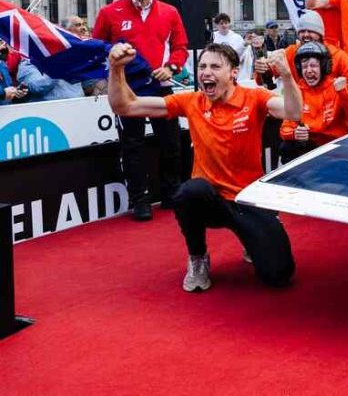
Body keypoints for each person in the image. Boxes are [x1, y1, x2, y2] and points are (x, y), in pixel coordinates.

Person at [106, 42, 301, 292]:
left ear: (233, 72)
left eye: (215, 66)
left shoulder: (255, 98)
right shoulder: (191, 101)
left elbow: (294, 112)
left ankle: (251, 239)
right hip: (210, 201)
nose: (206, 72)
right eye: (202, 66)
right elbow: (125, 106)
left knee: (279, 276)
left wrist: (286, 73)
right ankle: (198, 258)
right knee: (189, 192)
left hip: (247, 199)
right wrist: (116, 68)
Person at [93, 0, 188, 221]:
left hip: (161, 87)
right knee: (132, 146)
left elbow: (181, 47)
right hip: (127, 91)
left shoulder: (170, 12)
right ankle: (140, 200)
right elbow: (97, 50)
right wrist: (110, 73)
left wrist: (171, 67)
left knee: (171, 144)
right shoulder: (109, 13)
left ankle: (172, 195)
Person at [279, 41, 348, 162]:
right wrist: (295, 133)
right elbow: (284, 128)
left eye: (313, 66)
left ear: (324, 67)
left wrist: (343, 93)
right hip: (310, 147)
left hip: (335, 146)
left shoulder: (337, 87)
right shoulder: (297, 90)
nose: (308, 71)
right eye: (304, 67)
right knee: (286, 147)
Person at [16, 58, 85, 101]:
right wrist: (56, 68)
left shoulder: (69, 58)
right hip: (51, 114)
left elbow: (87, 85)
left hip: (78, 108)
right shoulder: (28, 63)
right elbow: (36, 88)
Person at [0, 39, 27, 105]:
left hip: (7, 110)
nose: (4, 46)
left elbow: (8, 88)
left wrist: (16, 93)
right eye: (0, 42)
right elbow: (4, 93)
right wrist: (3, 94)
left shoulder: (2, 64)